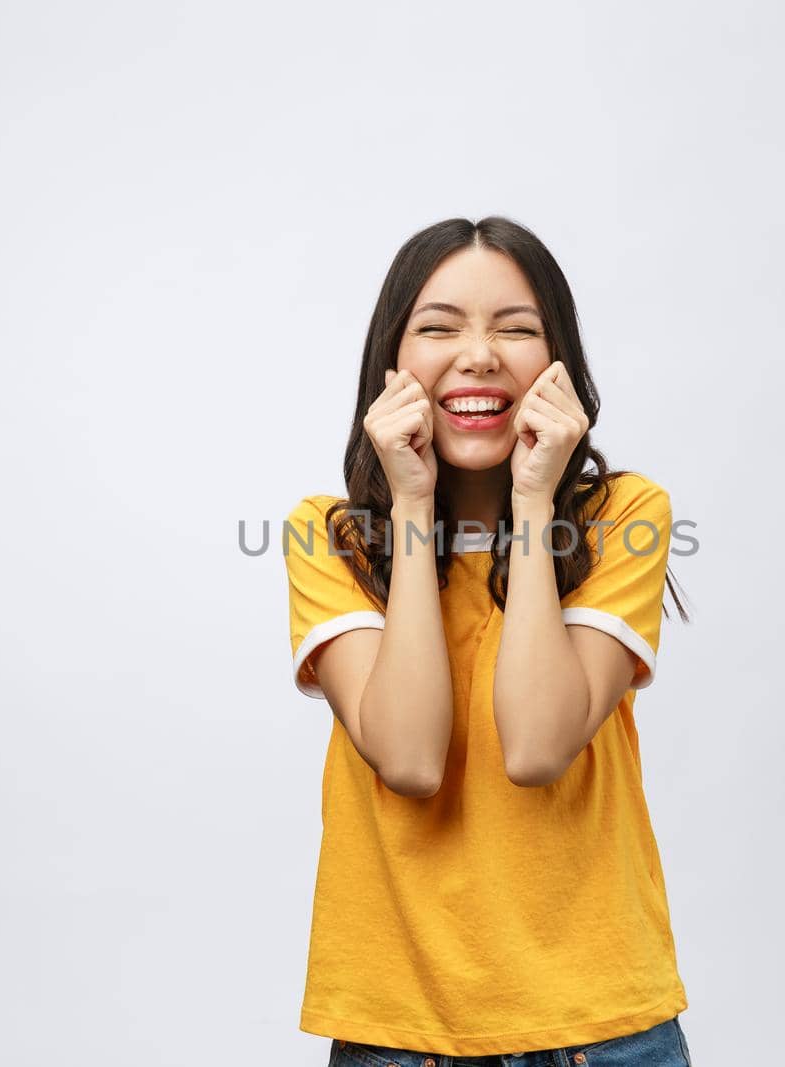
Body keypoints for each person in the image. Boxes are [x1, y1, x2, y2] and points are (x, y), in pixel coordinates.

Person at [282, 216, 694, 1066]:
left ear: (559, 365)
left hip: (601, 1030)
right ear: (391, 367)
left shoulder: (624, 518)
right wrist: (411, 508)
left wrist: (538, 501)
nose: (479, 355)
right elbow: (412, 758)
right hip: (399, 1036)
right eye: (438, 328)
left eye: (516, 328)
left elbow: (538, 745)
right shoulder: (329, 538)